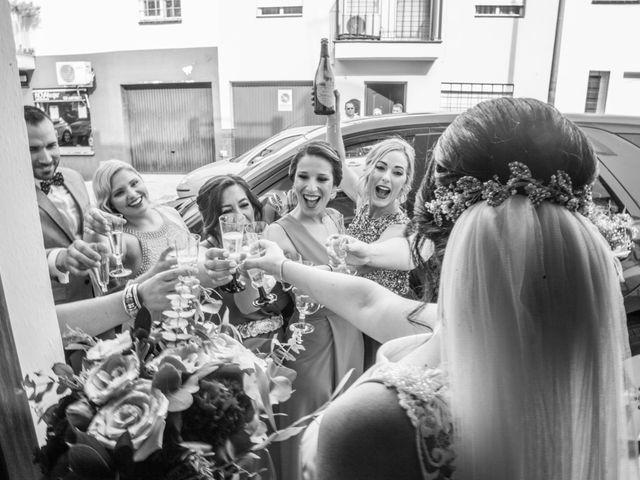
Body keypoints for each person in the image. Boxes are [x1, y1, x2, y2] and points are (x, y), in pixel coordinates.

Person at [247, 97, 638, 479]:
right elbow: (370, 302)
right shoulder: (593, 382)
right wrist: (280, 265)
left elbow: (378, 294)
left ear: (432, 222)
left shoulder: (373, 421)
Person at [266, 141, 364, 480]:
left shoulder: (336, 219)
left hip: (350, 337)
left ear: (335, 186)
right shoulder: (277, 233)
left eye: (322, 179)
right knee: (307, 433)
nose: (311, 187)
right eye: (303, 177)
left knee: (344, 433)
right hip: (308, 346)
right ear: (292, 180)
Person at [327, 91, 418, 366]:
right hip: (356, 315)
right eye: (381, 167)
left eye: (397, 172)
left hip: (384, 328)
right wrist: (333, 118)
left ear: (405, 183)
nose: (387, 177)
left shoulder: (400, 227)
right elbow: (339, 162)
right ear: (369, 170)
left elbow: (362, 261)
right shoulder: (364, 201)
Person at [196, 174, 291, 352]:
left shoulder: (268, 239)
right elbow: (246, 306)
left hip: (283, 345)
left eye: (243, 205)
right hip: (237, 353)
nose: (239, 216)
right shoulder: (204, 253)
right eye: (226, 211)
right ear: (212, 218)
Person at [25, 106, 101, 304]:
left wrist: (98, 225)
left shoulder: (74, 178)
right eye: (32, 149)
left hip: (96, 294)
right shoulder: (9, 197)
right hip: (53, 306)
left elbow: (85, 236)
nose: (46, 158)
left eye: (51, 145)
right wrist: (60, 258)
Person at [90, 159, 191, 280]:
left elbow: (193, 253)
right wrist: (94, 222)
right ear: (110, 204)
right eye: (119, 193)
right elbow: (106, 256)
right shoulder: (123, 240)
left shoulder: (170, 213)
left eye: (134, 183)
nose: (132, 194)